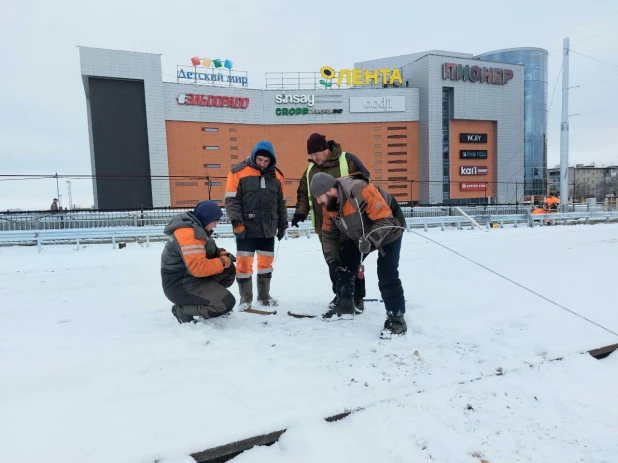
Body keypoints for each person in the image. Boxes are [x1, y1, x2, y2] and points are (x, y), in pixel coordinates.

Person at [309, 172, 408, 339]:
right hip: (359, 235)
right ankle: (347, 305)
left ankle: (397, 321)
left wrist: (370, 241)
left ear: (331, 190)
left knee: (387, 274)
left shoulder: (361, 191)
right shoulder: (329, 207)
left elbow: (386, 220)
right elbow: (328, 236)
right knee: (344, 263)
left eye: (320, 197)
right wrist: (332, 260)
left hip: (390, 230)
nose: (319, 202)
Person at [292, 133, 371, 314]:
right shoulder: (310, 170)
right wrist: (300, 212)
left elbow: (365, 183)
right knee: (333, 262)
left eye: (314, 154)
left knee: (352, 262)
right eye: (310, 156)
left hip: (350, 223)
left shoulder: (347, 160)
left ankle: (357, 298)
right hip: (325, 225)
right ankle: (340, 296)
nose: (312, 158)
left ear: (324, 149)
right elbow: (304, 193)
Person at [225, 140, 287, 310]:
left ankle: (264, 297)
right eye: (260, 160)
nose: (262, 164)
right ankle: (245, 299)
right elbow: (231, 201)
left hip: (268, 228)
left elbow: (281, 203)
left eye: (266, 161)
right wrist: (237, 223)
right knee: (244, 264)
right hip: (245, 229)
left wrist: (282, 224)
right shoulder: (238, 172)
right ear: (254, 156)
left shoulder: (277, 176)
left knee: (266, 263)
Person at [161, 200, 237, 324]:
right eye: (214, 221)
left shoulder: (196, 227)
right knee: (225, 303)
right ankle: (183, 310)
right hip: (180, 285)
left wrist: (220, 253)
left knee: (228, 270)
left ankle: (209, 301)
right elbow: (198, 268)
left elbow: (204, 250)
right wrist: (222, 261)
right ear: (206, 219)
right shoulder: (189, 235)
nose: (215, 225)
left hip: (189, 278)